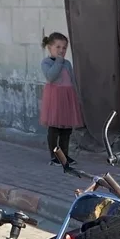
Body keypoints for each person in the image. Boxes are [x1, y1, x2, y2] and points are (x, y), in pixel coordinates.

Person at [39, 29, 84, 170]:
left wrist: (76, 97)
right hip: (55, 98)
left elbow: (72, 80)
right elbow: (51, 77)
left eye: (64, 48)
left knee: (66, 130)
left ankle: (64, 154)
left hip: (67, 97)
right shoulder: (46, 62)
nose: (61, 50)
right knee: (55, 129)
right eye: (58, 47)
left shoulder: (67, 63)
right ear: (49, 47)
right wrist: (58, 61)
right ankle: (54, 156)